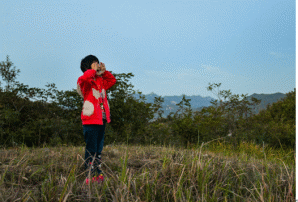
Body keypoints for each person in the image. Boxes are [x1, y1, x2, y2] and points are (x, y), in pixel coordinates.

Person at [77, 55, 116, 184]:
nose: (97, 65)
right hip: (90, 120)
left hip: (101, 120)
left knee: (98, 149)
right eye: (95, 64)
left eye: (98, 64)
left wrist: (104, 72)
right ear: (89, 67)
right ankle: (89, 172)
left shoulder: (100, 81)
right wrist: (92, 70)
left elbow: (112, 81)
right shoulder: (85, 82)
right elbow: (85, 77)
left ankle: (97, 169)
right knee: (91, 148)